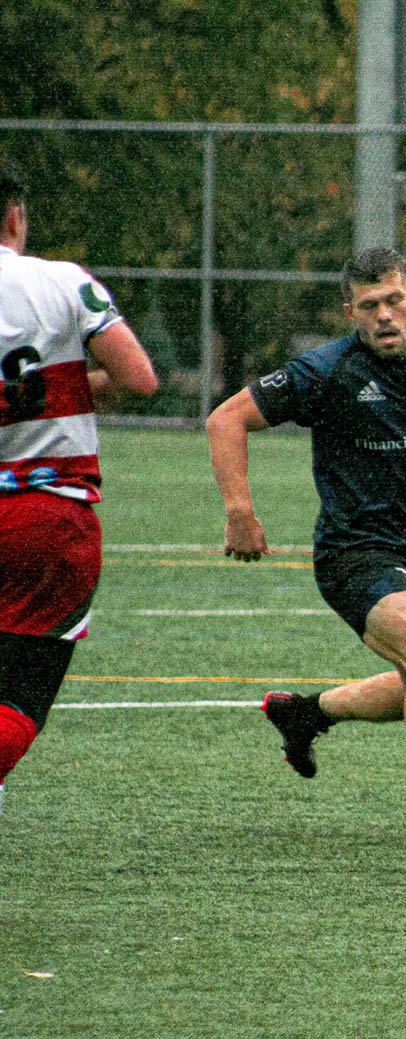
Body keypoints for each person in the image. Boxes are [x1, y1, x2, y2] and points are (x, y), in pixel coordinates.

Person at [205, 247, 406, 848]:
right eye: (368, 306)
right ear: (351, 313)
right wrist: (239, 512)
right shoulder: (326, 371)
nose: (384, 315)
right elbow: (226, 419)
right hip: (351, 554)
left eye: (393, 300)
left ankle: (307, 713)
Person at [0, 160, 159, 817]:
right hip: (48, 516)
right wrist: (65, 386)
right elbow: (140, 377)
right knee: (20, 695)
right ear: (15, 217)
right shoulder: (63, 281)